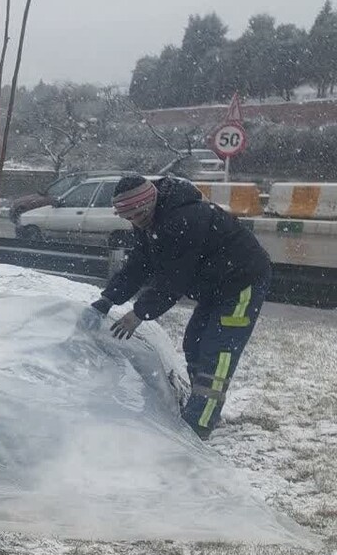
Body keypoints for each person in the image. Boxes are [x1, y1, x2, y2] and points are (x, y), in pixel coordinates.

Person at [80, 176, 271, 440]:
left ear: (150, 202)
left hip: (241, 282)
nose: (135, 221)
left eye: (138, 214)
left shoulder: (183, 219)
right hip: (215, 285)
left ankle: (197, 428)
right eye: (129, 217)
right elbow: (140, 263)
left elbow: (172, 278)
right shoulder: (150, 219)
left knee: (218, 351)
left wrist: (139, 314)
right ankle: (199, 406)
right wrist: (108, 299)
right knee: (194, 342)